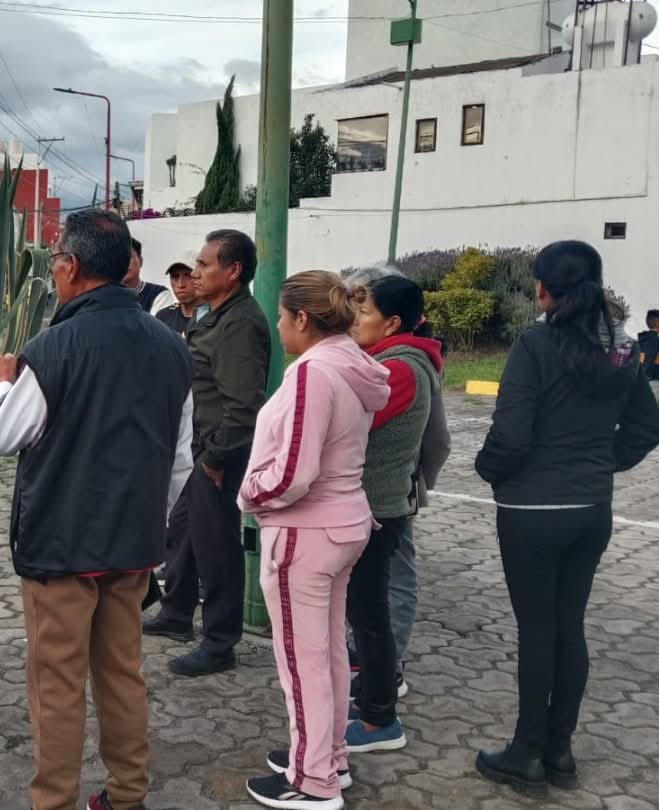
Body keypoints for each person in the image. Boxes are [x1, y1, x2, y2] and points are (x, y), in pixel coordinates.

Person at [0, 209, 193, 810]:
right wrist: (151, 526)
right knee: (123, 675)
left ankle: (55, 802)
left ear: (71, 267)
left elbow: (4, 436)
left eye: (55, 262)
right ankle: (128, 795)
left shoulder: (52, 347)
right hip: (133, 549)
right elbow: (179, 459)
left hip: (61, 549)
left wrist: (3, 380)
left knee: (58, 686)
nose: (54, 271)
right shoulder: (171, 346)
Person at [474, 241, 659, 797]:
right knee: (568, 626)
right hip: (590, 510)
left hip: (532, 511)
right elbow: (647, 430)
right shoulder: (623, 351)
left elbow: (510, 434)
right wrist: (600, 464)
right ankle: (559, 750)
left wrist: (492, 471)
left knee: (537, 629)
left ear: (547, 290)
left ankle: (525, 754)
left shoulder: (535, 343)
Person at [239, 270, 389, 810]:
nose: (279, 328)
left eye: (282, 317)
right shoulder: (355, 365)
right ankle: (328, 758)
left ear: (302, 319)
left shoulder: (314, 373)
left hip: (306, 531)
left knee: (303, 662)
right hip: (342, 523)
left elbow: (292, 473)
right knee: (324, 656)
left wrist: (250, 494)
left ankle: (314, 781)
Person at [144, 229, 271, 678]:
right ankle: (177, 611)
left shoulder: (240, 324)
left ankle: (220, 641)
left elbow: (243, 406)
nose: (195, 273)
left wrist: (215, 460)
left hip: (222, 452)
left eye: (204, 265)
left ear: (233, 271)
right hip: (207, 447)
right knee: (184, 528)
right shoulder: (215, 315)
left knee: (217, 547)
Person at [341, 274, 444, 755]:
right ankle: (371, 699)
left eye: (364, 313)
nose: (355, 321)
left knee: (371, 616)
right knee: (366, 614)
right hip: (377, 505)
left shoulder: (398, 369)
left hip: (378, 508)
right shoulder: (389, 361)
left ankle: (380, 715)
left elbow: (346, 423)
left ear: (393, 322)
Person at [154, 260, 200, 338]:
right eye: (175, 276)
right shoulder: (163, 317)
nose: (180, 284)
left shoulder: (216, 317)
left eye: (188, 276)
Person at [124, 237, 171, 313]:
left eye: (128, 257)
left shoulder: (159, 294)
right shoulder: (103, 296)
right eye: (119, 258)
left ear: (140, 261)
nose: (123, 263)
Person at [638, 308, 659, 393]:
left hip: (649, 379)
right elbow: (649, 358)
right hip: (652, 380)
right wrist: (646, 377)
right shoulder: (655, 339)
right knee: (652, 404)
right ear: (658, 324)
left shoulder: (646, 338)